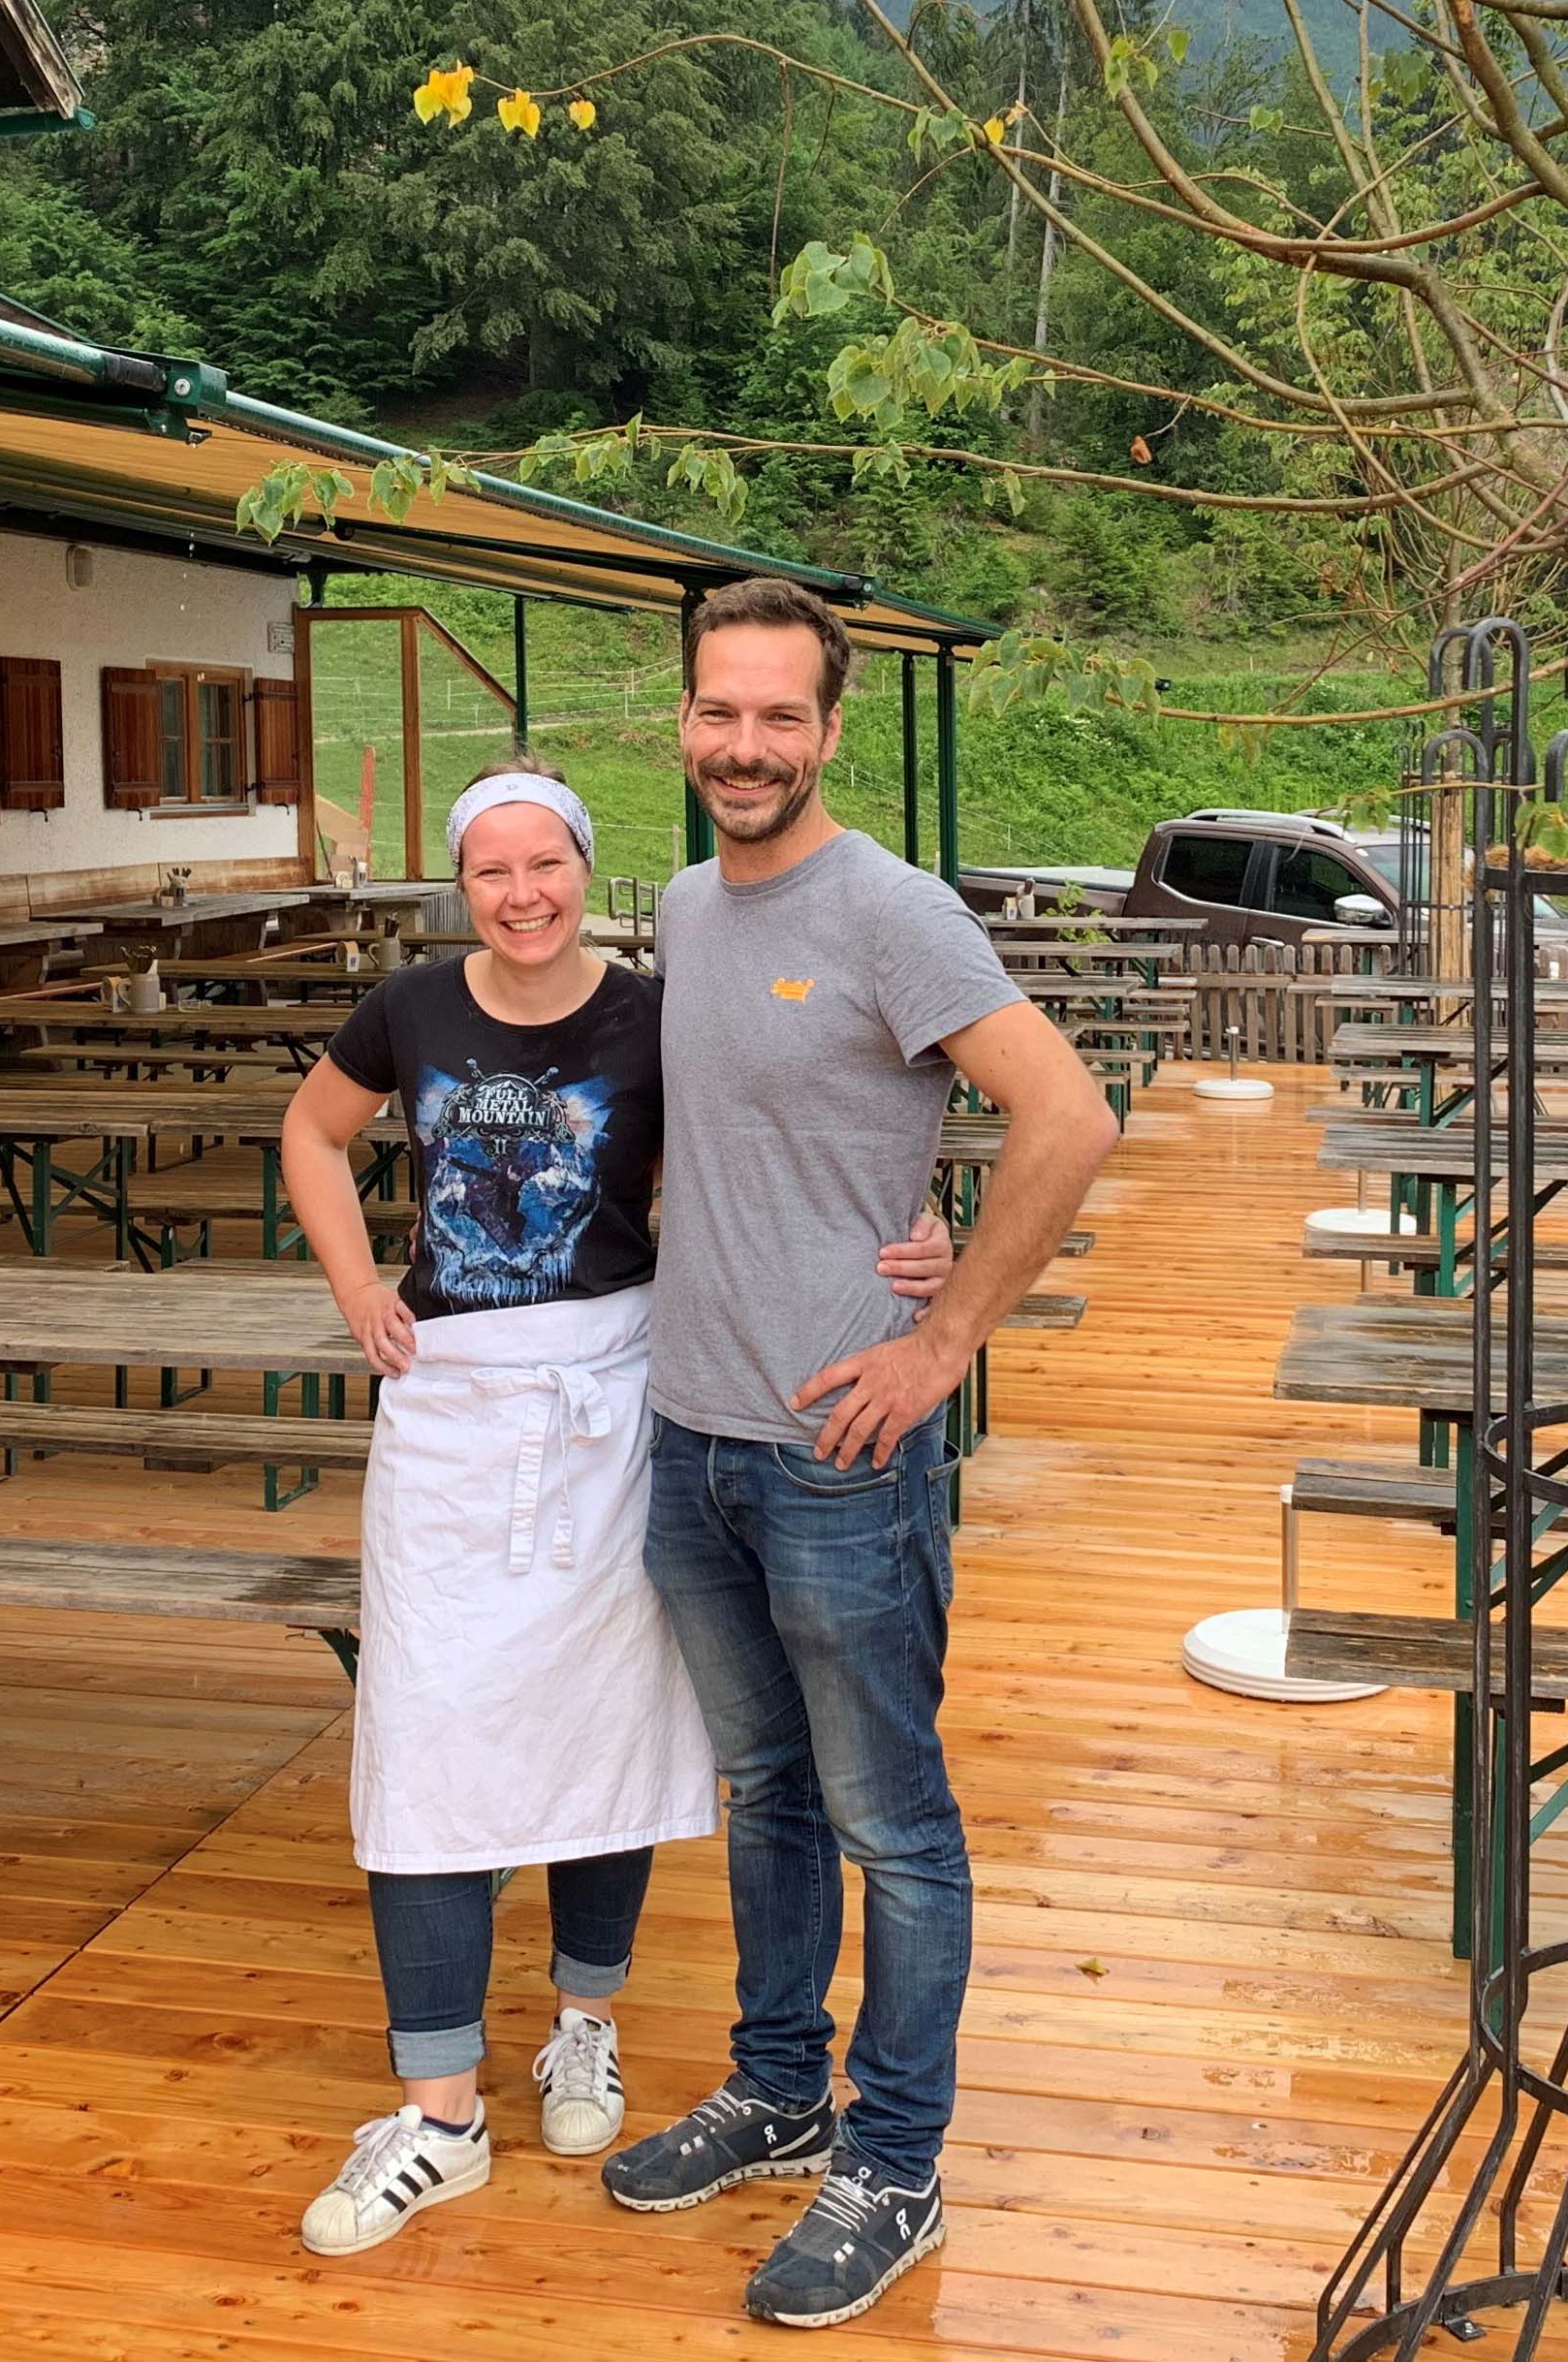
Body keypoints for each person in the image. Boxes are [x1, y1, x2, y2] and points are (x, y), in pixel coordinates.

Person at [272, 754, 956, 2259]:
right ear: (461, 887)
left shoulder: (656, 1009)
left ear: (590, 867)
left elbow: (793, 1133)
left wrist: (914, 1229)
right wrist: (352, 1285)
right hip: (455, 1397)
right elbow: (310, 1132)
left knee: (607, 1718)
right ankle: (438, 2110)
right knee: (428, 1724)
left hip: (617, 1384)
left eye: (547, 864)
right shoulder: (410, 1008)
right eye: (490, 871)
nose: (521, 894)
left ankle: (585, 2021)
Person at [602, 580, 1118, 2330]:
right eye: (715, 713)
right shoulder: (681, 901)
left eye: (777, 717)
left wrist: (943, 1328)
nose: (743, 746)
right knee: (765, 1797)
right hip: (695, 1437)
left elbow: (1066, 1114)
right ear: (679, 721)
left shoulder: (889, 909)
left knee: (894, 1823)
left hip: (841, 1444)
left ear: (828, 732)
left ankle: (891, 2162)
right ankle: (775, 2090)